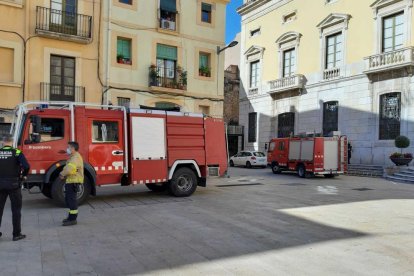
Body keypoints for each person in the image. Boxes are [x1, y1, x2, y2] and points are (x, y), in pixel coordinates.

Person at [0, 134, 30, 241]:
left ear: (3, 142)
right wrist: (23, 176)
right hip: (14, 185)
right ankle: (16, 234)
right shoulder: (17, 152)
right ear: (12, 142)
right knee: (16, 210)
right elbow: (26, 166)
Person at [59, 141, 84, 226]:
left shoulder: (75, 158)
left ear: (73, 149)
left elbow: (69, 169)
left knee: (71, 201)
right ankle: (70, 217)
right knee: (69, 200)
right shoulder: (73, 156)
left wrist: (62, 174)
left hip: (74, 181)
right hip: (71, 181)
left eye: (68, 147)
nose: (67, 149)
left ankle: (73, 219)